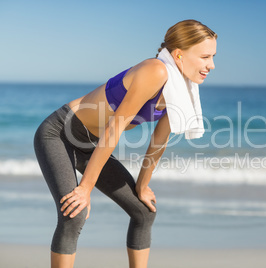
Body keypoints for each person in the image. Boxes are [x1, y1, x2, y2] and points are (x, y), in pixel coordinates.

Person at [33, 19, 217, 268]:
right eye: (205, 56)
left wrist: (142, 186)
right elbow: (114, 128)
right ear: (179, 55)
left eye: (213, 57)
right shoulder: (155, 71)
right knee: (74, 213)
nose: (212, 65)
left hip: (90, 145)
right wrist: (85, 188)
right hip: (60, 133)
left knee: (144, 212)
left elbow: (158, 142)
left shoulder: (183, 91)